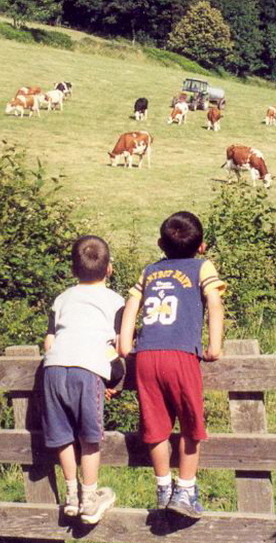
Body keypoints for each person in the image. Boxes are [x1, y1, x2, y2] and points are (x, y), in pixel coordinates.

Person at [117, 211, 225, 519]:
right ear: (202, 246)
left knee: (155, 426)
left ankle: (163, 487)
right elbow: (215, 302)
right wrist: (214, 346)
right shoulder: (202, 266)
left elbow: (131, 305)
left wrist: (126, 345)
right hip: (180, 354)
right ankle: (186, 490)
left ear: (160, 244)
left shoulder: (150, 270)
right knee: (191, 425)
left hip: (147, 356)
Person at [41, 235, 125, 525]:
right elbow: (120, 343)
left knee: (63, 435)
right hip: (87, 370)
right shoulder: (115, 301)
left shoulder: (62, 299)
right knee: (89, 437)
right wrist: (113, 379)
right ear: (109, 268)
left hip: (53, 369)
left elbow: (48, 341)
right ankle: (90, 498)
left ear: (73, 270)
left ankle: (72, 495)